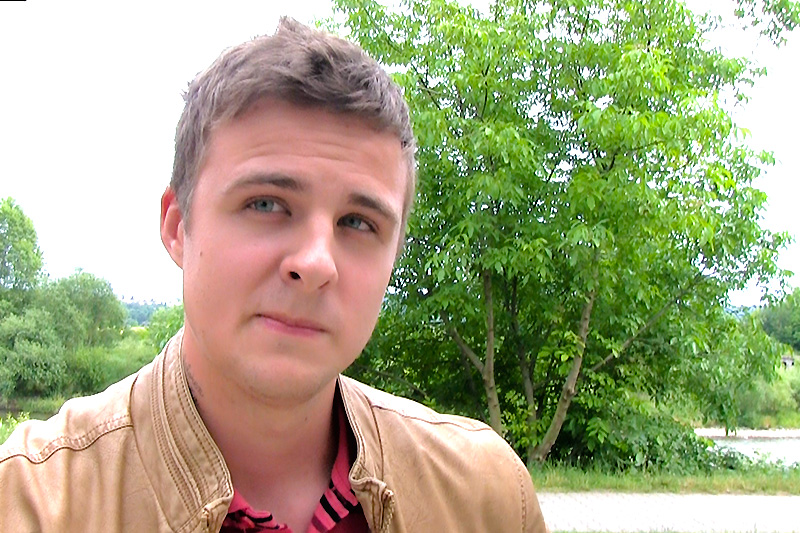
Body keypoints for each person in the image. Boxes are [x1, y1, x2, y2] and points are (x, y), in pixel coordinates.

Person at [0, 18, 548, 533]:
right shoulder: (30, 503)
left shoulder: (483, 497)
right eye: (266, 204)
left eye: (358, 222)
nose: (316, 263)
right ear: (177, 227)